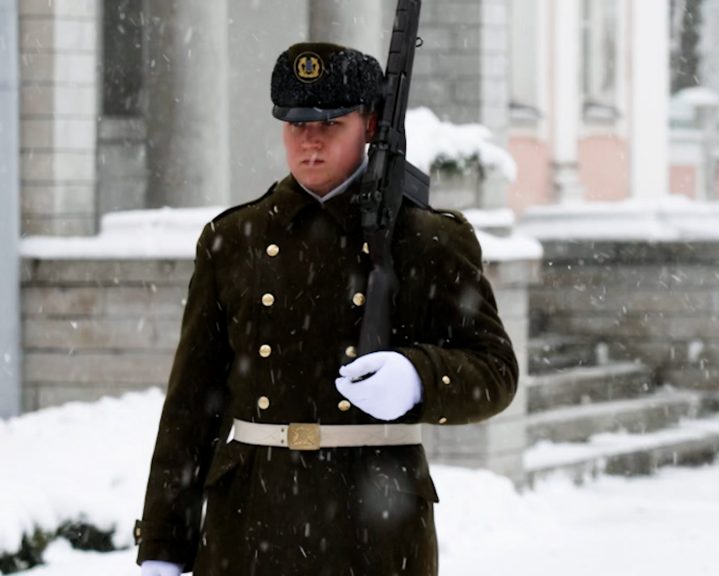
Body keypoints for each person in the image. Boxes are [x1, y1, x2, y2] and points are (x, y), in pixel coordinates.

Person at [133, 42, 519, 576]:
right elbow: (190, 408)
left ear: (369, 124)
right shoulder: (234, 239)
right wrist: (163, 546)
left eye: (330, 124)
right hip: (249, 524)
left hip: (375, 526)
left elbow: (496, 372)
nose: (309, 142)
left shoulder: (426, 239)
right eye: (295, 125)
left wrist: (417, 378)